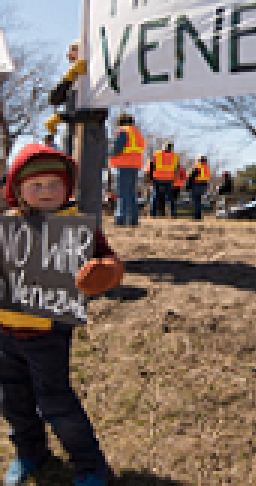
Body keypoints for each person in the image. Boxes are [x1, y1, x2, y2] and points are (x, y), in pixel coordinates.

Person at [0, 143, 124, 486]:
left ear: (67, 188)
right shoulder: (8, 225)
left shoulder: (76, 227)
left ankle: (89, 464)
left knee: (55, 402)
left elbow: (109, 261)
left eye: (54, 184)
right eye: (35, 185)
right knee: (12, 400)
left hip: (48, 333)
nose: (45, 191)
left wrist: (105, 273)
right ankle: (30, 453)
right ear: (18, 189)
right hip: (5, 332)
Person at [108, 112, 146, 226]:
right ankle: (133, 220)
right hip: (135, 166)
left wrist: (106, 153)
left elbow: (116, 150)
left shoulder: (123, 131)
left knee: (122, 193)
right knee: (131, 194)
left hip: (123, 165)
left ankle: (121, 219)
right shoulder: (137, 133)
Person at [147, 141, 179, 218]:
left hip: (157, 178)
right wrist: (175, 178)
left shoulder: (157, 154)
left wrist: (150, 177)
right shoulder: (175, 156)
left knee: (155, 196)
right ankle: (172, 214)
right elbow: (176, 169)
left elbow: (151, 166)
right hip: (169, 179)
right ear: (171, 148)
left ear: (163, 147)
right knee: (170, 197)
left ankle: (152, 214)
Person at [186, 155, 210, 220]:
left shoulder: (197, 167)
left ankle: (196, 216)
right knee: (199, 201)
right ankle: (198, 215)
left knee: (195, 201)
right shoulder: (207, 168)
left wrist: (187, 186)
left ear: (199, 160)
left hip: (196, 184)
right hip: (204, 185)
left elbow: (191, 177)